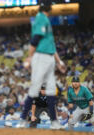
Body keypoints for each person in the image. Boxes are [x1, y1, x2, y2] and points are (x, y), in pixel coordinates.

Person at [16, 0, 66, 129]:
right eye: (51, 6)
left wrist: (59, 61)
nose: (52, 8)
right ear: (47, 8)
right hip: (41, 57)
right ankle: (22, 120)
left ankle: (54, 122)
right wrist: (29, 57)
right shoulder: (40, 18)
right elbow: (36, 38)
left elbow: (51, 44)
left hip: (49, 58)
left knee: (50, 90)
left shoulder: (46, 19)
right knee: (34, 90)